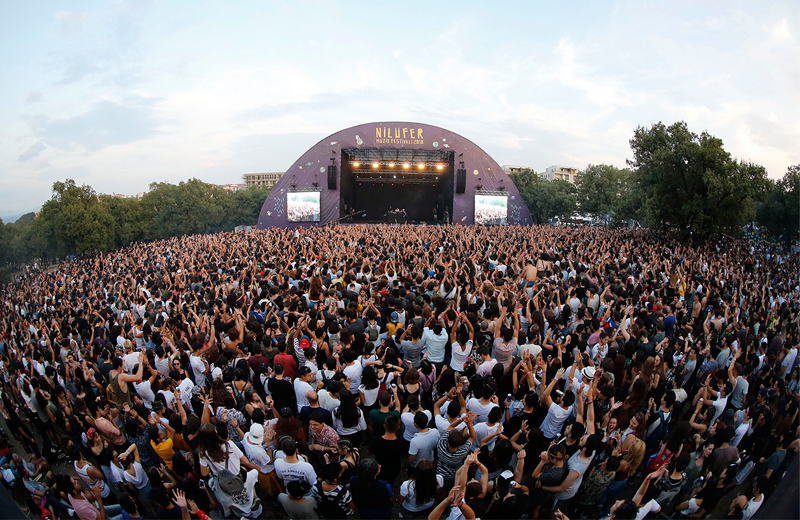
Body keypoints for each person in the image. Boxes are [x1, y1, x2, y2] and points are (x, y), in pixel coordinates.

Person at [196, 422, 262, 518]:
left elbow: (204, 473)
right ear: (215, 432)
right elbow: (245, 461)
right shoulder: (229, 444)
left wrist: (209, 465)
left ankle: (234, 508)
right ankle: (255, 498)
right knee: (252, 474)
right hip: (238, 476)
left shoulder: (203, 454)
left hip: (224, 482)